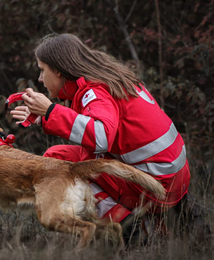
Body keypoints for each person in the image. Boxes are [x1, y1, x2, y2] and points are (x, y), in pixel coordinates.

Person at [10, 33, 192, 245]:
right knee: (61, 157)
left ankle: (128, 230)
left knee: (57, 165)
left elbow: (101, 137)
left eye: (42, 70)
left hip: (155, 184)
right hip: (172, 177)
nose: (40, 79)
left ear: (58, 70)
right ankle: (149, 223)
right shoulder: (106, 77)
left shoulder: (94, 91)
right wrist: (45, 119)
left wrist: (51, 111)